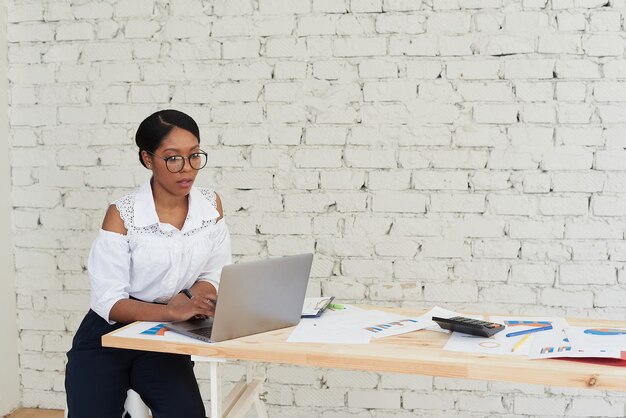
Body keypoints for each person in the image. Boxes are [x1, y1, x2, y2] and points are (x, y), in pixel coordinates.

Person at [65, 109, 231, 418]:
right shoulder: (123, 214)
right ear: (147, 159)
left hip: (163, 336)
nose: (187, 168)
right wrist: (171, 310)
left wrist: (191, 300)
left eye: (194, 155)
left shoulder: (210, 206)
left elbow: (214, 272)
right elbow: (108, 301)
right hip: (107, 336)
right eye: (173, 158)